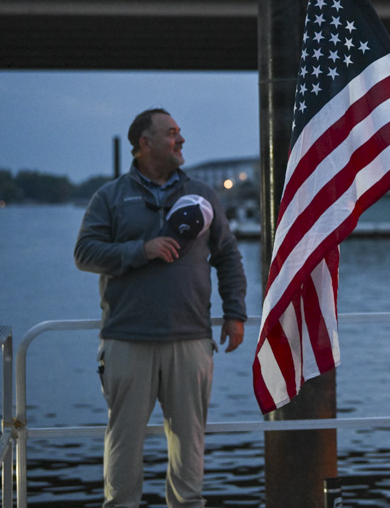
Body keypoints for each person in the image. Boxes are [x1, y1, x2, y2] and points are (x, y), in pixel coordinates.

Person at [74, 108, 248, 508]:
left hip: (190, 339)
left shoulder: (202, 194)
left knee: (189, 445)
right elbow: (84, 253)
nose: (180, 140)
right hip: (127, 339)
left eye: (179, 132)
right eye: (171, 133)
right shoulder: (110, 197)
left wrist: (235, 313)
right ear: (145, 143)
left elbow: (228, 257)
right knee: (123, 441)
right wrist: (141, 249)